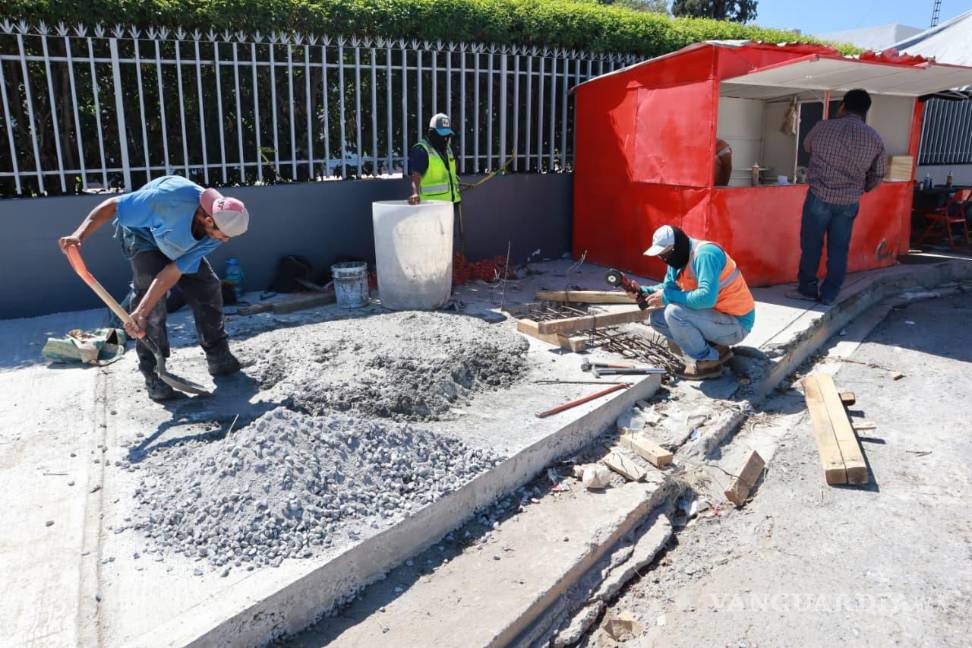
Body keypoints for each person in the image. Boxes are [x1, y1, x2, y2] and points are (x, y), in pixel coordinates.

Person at [58, 175, 249, 401]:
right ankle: (154, 376)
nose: (225, 241)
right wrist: (78, 235)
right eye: (224, 236)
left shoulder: (217, 228)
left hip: (176, 242)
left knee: (207, 287)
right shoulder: (167, 199)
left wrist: (142, 310)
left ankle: (219, 356)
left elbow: (172, 272)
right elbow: (112, 206)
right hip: (142, 236)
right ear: (208, 220)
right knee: (151, 306)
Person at [789, 89, 886, 305]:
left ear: (842, 105)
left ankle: (807, 289)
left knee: (812, 246)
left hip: (818, 196)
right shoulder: (874, 137)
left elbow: (806, 147)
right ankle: (830, 294)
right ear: (865, 111)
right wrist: (863, 188)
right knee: (839, 249)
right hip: (849, 201)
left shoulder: (823, 127)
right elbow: (878, 173)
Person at [635, 225, 756, 380]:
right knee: (657, 319)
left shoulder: (705, 255)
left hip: (737, 324)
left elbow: (706, 298)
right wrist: (643, 291)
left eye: (665, 254)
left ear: (677, 247)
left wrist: (667, 297)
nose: (664, 259)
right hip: (716, 320)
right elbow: (668, 288)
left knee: (674, 312)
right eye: (661, 255)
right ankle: (718, 350)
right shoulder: (679, 260)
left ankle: (708, 363)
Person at [408, 113, 463, 248]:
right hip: (431, 208)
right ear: (431, 133)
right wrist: (415, 193)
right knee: (432, 243)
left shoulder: (448, 149)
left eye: (448, 134)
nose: (445, 138)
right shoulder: (421, 150)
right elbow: (415, 175)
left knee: (446, 242)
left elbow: (452, 170)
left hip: (451, 205)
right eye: (441, 134)